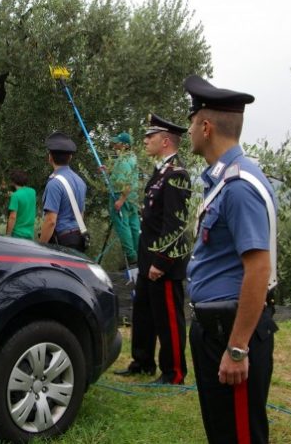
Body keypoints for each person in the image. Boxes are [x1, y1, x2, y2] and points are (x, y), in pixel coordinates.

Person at [184, 75, 279, 444]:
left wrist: (238, 349)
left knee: (239, 435)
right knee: (223, 430)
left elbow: (258, 268)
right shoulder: (223, 181)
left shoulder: (239, 186)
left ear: (206, 127)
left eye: (192, 122)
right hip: (216, 328)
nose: (189, 129)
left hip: (231, 331)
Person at [114, 113, 190, 384]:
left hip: (163, 263)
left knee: (168, 318)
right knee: (143, 312)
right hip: (148, 257)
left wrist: (161, 262)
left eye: (151, 136)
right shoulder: (161, 171)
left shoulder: (177, 174)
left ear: (166, 140)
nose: (145, 140)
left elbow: (175, 225)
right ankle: (142, 362)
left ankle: (174, 372)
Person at [38, 131, 88, 252]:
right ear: (70, 157)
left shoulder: (54, 184)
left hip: (62, 241)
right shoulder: (80, 181)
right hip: (79, 238)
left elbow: (50, 221)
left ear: (50, 157)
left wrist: (40, 248)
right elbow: (80, 214)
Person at [108, 132, 140, 266]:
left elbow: (126, 182)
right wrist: (108, 170)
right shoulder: (132, 157)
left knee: (123, 226)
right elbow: (123, 173)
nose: (115, 144)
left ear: (125, 145)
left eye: (118, 143)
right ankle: (139, 254)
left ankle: (131, 257)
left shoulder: (123, 160)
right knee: (134, 225)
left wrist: (121, 200)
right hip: (133, 198)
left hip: (121, 196)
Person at [6, 169, 37, 239]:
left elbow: (12, 217)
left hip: (17, 234)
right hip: (29, 234)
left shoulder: (15, 196)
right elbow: (24, 197)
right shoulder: (33, 192)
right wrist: (14, 195)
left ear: (13, 182)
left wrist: (8, 235)